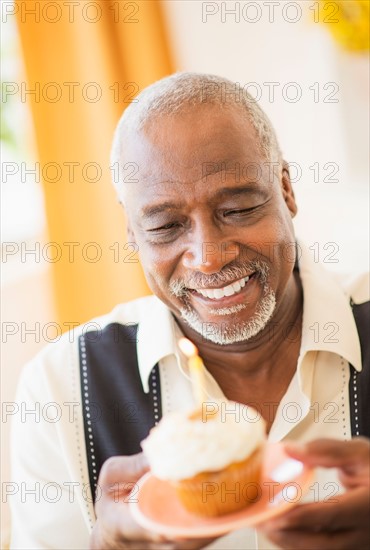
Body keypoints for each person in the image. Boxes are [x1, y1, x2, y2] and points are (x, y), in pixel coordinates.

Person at [9, 73, 369, 550]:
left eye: (238, 209)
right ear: (131, 233)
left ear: (285, 189)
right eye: (165, 226)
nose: (209, 256)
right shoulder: (60, 390)